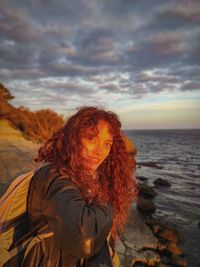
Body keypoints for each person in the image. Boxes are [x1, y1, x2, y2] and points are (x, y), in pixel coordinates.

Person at [3, 106, 137, 267]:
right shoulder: (54, 175)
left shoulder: (85, 177)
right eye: (91, 138)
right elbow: (86, 238)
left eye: (107, 144)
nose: (99, 151)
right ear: (72, 138)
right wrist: (106, 195)